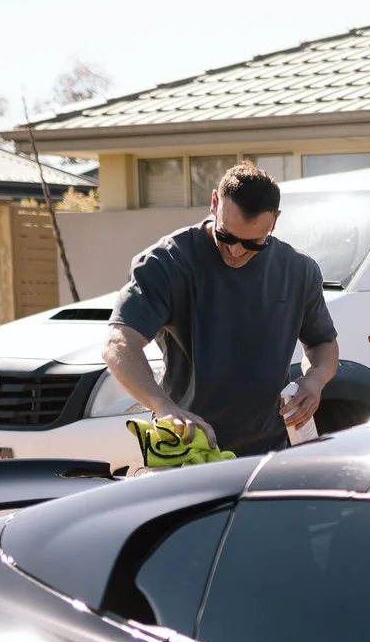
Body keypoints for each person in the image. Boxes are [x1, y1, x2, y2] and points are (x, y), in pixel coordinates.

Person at [104, 162, 339, 456]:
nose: (236, 251)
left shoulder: (298, 270)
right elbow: (119, 344)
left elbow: (323, 344)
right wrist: (163, 406)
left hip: (269, 453)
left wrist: (314, 380)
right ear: (214, 202)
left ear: (274, 221)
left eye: (253, 243)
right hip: (189, 449)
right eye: (226, 236)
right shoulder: (166, 263)